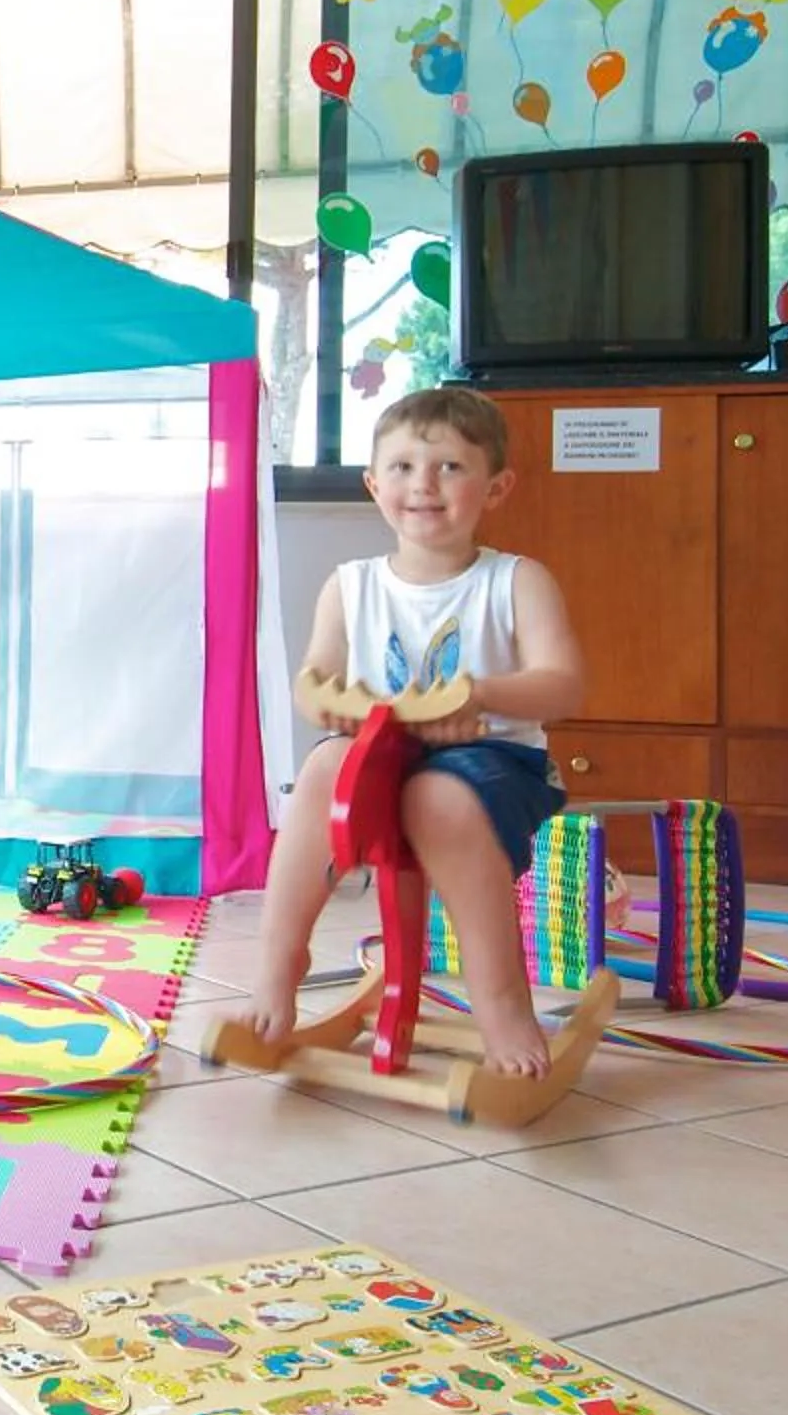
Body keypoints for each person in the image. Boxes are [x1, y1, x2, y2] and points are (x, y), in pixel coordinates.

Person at [241, 385, 583, 1078]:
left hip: (492, 757)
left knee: (439, 799)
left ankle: (501, 1000)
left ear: (496, 487)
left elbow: (565, 682)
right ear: (374, 484)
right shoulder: (352, 585)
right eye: (401, 468)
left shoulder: (516, 580)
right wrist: (331, 705)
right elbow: (313, 677)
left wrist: (482, 694)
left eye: (451, 468)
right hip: (384, 747)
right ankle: (281, 959)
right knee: (323, 767)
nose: (423, 485)